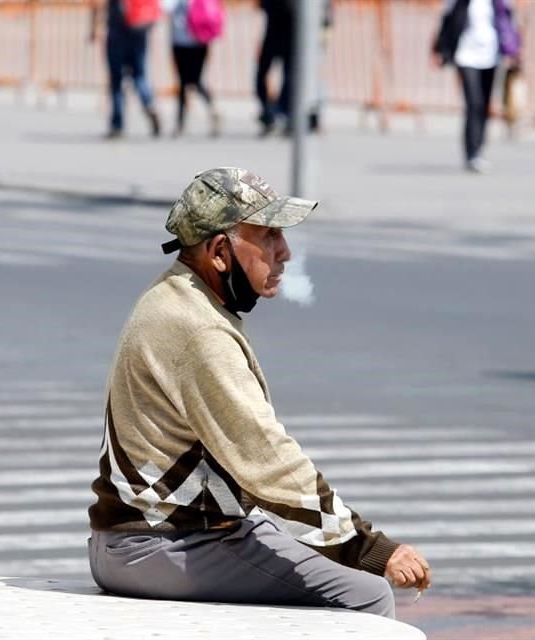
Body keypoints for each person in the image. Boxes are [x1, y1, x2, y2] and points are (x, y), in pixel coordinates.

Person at [87, 168, 432, 617]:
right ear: (218, 252)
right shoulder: (199, 331)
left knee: (296, 543)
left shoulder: (175, 298)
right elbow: (265, 460)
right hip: (163, 543)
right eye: (268, 236)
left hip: (144, 539)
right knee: (367, 593)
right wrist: (370, 548)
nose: (284, 252)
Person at [433, 0, 522, 174]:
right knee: (474, 103)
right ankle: (471, 152)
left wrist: (515, 50)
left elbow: (509, 23)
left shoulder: (498, 3)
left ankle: (479, 148)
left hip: (491, 56)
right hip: (466, 56)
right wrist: (440, 50)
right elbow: (447, 21)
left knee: (484, 104)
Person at [89, 0, 162, 139]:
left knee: (116, 80)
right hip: (138, 31)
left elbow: (97, 5)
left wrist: (93, 28)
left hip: (117, 34)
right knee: (139, 75)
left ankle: (117, 124)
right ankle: (148, 103)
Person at [166, 0, 221, 137]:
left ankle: (180, 123)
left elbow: (167, 8)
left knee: (185, 82)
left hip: (181, 40)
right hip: (201, 39)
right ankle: (211, 108)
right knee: (194, 80)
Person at [256, 0, 294, 136]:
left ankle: (278, 112)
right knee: (265, 74)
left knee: (288, 77)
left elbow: (262, 6)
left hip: (282, 38)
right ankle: (274, 112)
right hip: (281, 37)